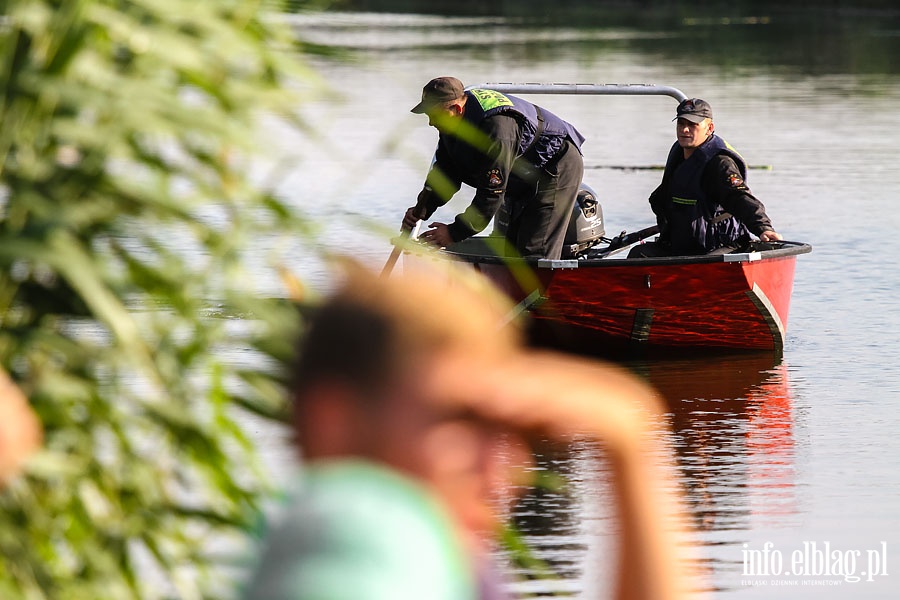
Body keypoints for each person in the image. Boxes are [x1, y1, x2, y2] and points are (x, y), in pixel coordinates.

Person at [241, 260, 697, 600]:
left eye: (503, 429)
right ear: (335, 424)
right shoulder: (347, 542)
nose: (507, 470)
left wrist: (632, 440)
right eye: (459, 418)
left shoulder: (457, 573)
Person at [402, 77, 585, 260]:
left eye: (434, 115)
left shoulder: (497, 129)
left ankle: (544, 285)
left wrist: (454, 232)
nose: (431, 123)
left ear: (456, 109)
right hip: (522, 170)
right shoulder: (452, 124)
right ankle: (513, 287)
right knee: (512, 252)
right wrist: (421, 209)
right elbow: (446, 171)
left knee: (535, 251)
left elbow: (491, 192)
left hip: (556, 163)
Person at [630, 98, 783, 257]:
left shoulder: (720, 163)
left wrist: (764, 228)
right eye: (681, 124)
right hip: (684, 244)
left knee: (706, 264)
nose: (685, 130)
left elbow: (740, 197)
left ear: (709, 128)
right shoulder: (679, 153)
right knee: (639, 254)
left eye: (692, 125)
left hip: (720, 244)